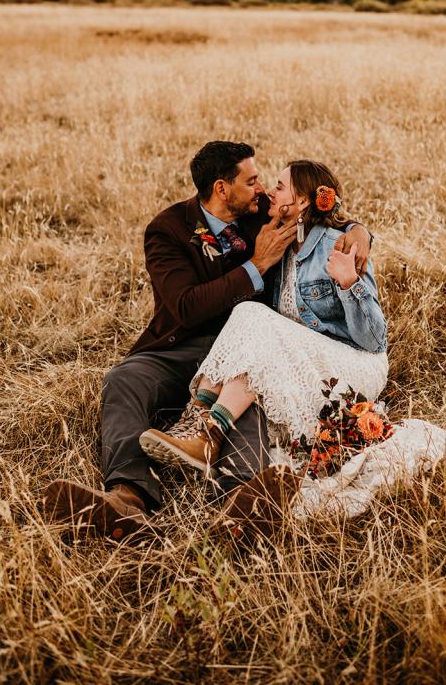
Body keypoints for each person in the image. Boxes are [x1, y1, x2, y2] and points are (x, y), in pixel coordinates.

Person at [43, 142, 371, 540]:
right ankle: (126, 498)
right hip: (181, 345)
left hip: (245, 347)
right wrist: (257, 265)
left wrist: (359, 231)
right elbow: (184, 307)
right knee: (123, 379)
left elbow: (317, 211)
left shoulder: (258, 211)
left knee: (254, 390)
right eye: (251, 181)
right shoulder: (168, 230)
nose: (262, 188)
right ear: (221, 188)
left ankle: (241, 507)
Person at [139, 160, 388, 479]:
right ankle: (203, 432)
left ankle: (203, 425)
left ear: (301, 202)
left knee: (251, 314)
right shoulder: (282, 243)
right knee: (253, 335)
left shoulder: (337, 246)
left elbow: (374, 340)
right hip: (301, 356)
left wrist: (349, 283)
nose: (270, 191)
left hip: (353, 363)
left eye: (280, 187)